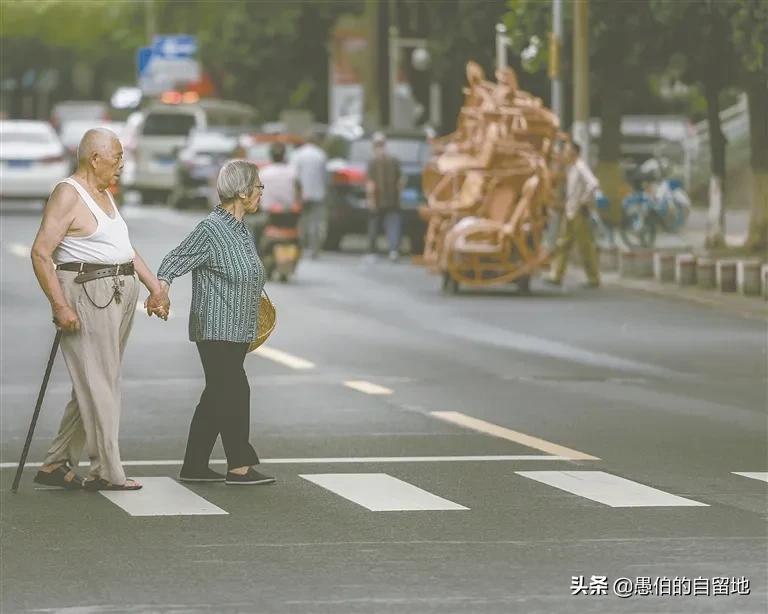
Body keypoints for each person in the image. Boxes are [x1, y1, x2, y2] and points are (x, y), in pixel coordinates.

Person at [30, 128, 170, 492]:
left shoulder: (104, 193)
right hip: (88, 293)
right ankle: (107, 470)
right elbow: (42, 252)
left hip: (119, 292)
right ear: (95, 158)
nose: (122, 164)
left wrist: (155, 287)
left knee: (94, 380)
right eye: (117, 157)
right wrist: (59, 305)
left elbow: (123, 246)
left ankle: (56, 463)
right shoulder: (68, 193)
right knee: (102, 382)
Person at [156, 160, 275, 486]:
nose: (261, 193)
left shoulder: (241, 228)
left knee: (216, 395)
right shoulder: (210, 229)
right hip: (215, 327)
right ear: (242, 191)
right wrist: (161, 291)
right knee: (235, 390)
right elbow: (174, 260)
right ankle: (239, 465)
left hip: (239, 327)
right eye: (258, 187)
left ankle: (194, 465)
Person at [547, 142, 601, 288]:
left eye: (567, 151)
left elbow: (594, 183)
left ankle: (593, 278)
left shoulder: (580, 167)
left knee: (585, 246)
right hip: (570, 211)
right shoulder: (571, 168)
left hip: (578, 212)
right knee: (563, 243)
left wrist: (584, 200)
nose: (564, 154)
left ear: (574, 153)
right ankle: (556, 275)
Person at [366, 132, 404, 262]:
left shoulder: (372, 162)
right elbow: (401, 182)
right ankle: (393, 250)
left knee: (374, 225)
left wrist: (371, 200)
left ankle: (372, 252)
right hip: (393, 200)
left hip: (378, 200)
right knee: (393, 225)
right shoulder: (394, 161)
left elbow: (370, 185)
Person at [291, 133, 328, 258]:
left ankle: (301, 246)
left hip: (302, 194)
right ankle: (314, 249)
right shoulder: (320, 155)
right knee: (316, 222)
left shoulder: (297, 154)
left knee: (302, 222)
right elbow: (325, 176)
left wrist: (295, 195)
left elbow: (294, 177)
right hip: (318, 194)